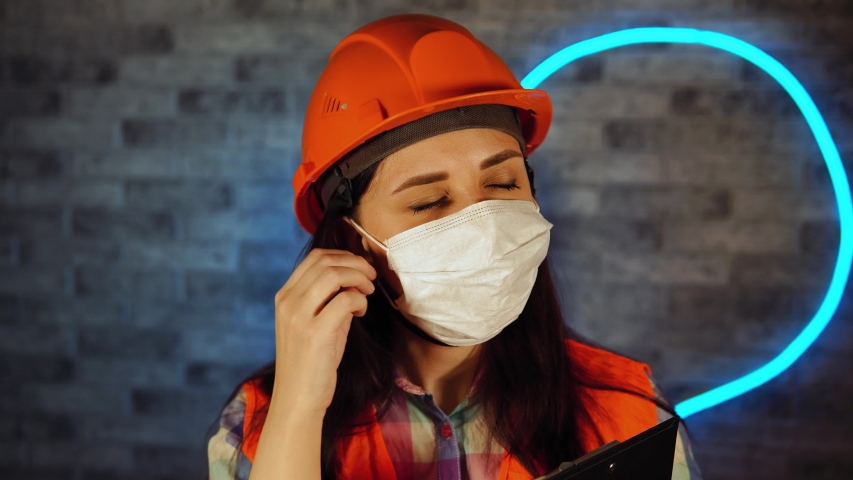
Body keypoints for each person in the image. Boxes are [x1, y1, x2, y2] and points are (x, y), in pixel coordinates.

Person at [207, 13, 703, 480]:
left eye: (504, 184)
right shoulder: (257, 426)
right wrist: (298, 408)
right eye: (427, 202)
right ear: (354, 240)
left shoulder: (630, 410)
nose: (483, 227)